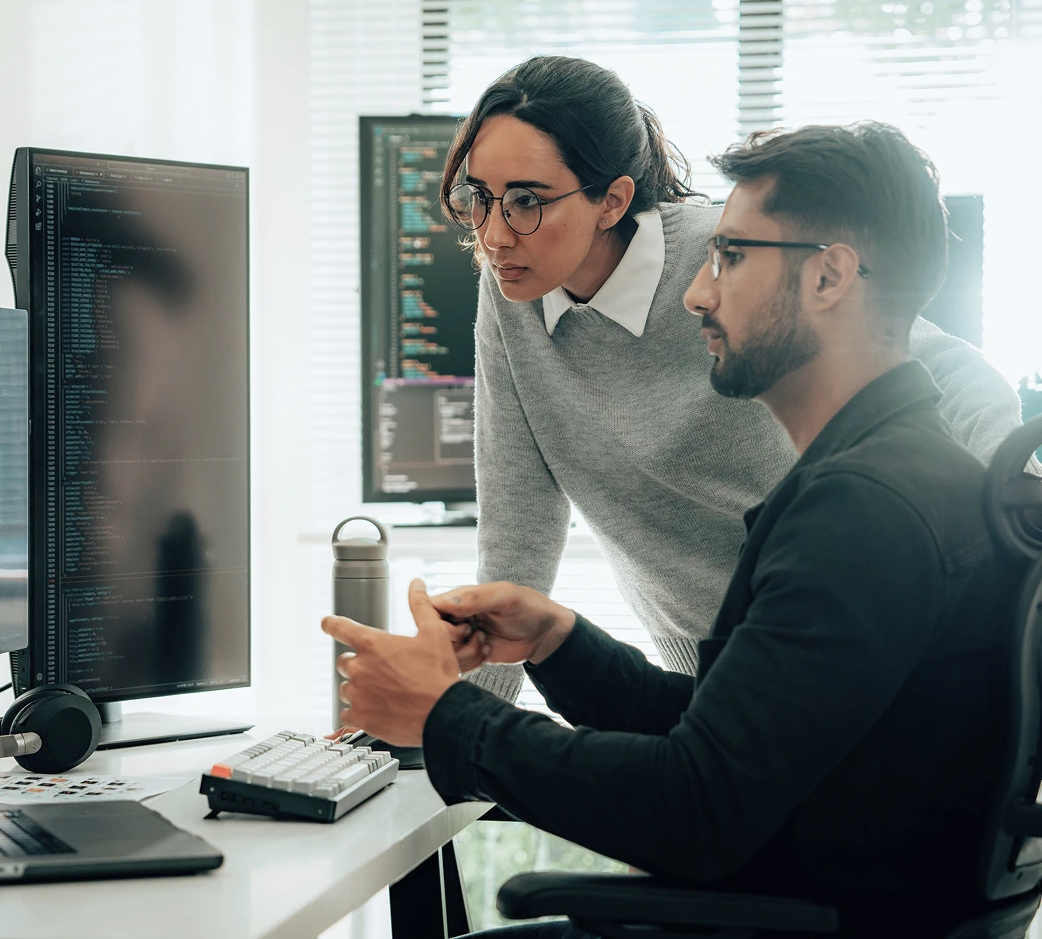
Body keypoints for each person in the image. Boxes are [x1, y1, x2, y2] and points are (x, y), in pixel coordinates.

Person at [323, 122, 1018, 937]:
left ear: (830, 277)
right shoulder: (898, 474)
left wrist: (443, 716)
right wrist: (560, 643)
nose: (696, 292)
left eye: (729, 257)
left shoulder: (862, 510)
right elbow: (726, 740)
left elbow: (696, 806)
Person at [445, 55, 1024, 699]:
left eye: (527, 200)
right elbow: (516, 530)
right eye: (477, 198)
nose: (494, 234)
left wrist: (1010, 550)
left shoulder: (726, 255)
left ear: (612, 201)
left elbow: (947, 372)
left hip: (828, 643)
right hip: (698, 668)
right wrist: (449, 741)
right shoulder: (512, 289)